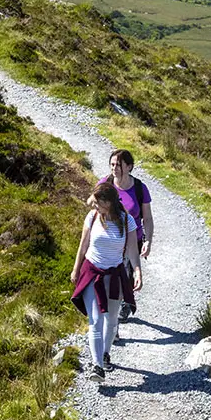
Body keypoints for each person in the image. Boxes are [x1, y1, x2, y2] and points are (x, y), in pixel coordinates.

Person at [70, 180, 142, 384]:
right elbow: (83, 246)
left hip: (115, 274)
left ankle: (106, 353)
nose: (94, 206)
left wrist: (137, 272)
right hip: (92, 272)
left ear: (109, 203)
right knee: (95, 320)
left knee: (111, 320)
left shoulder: (127, 220)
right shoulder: (92, 217)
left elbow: (132, 251)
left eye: (97, 202)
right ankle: (97, 366)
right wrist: (76, 269)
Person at [101, 149, 153, 321]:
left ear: (129, 167)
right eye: (112, 164)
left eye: (119, 165)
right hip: (111, 243)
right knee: (113, 280)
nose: (114, 168)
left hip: (133, 240)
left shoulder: (139, 188)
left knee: (127, 275)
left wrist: (148, 241)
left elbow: (148, 218)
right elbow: (94, 213)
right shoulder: (104, 185)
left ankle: (125, 300)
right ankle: (115, 316)